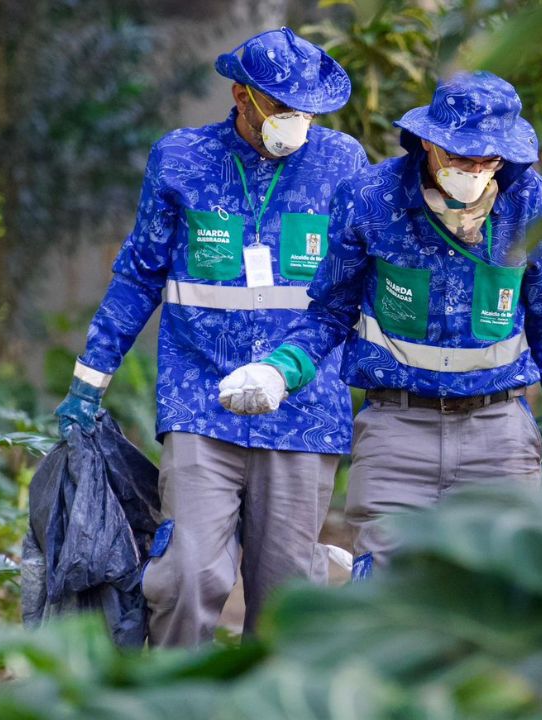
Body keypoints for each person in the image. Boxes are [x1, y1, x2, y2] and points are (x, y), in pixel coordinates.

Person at [218, 72, 542, 568]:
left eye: (487, 159)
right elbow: (330, 312)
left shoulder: (528, 201)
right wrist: (278, 370)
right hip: (397, 429)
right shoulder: (370, 198)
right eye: (459, 156)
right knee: (388, 592)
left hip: (497, 431)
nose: (474, 170)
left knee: (501, 594)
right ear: (429, 142)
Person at [54, 27, 367, 646]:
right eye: (280, 108)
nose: (294, 123)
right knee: (186, 577)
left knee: (286, 599)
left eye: (305, 111)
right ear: (241, 96)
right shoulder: (182, 159)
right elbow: (138, 274)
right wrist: (89, 379)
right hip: (201, 401)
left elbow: (358, 286)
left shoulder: (342, 162)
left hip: (302, 411)